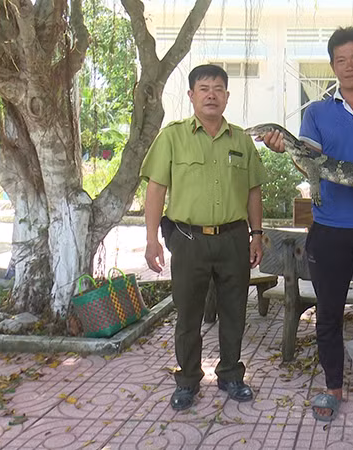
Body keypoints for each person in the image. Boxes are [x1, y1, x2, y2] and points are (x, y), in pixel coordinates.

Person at [261, 26, 353, 422]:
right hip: (328, 231)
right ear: (332, 65)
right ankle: (332, 388)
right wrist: (287, 149)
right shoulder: (316, 113)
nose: (349, 66)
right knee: (327, 312)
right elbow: (308, 162)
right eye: (340, 60)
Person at [141, 64, 267, 411]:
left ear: (227, 96)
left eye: (218, 89)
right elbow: (156, 188)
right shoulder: (173, 136)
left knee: (234, 311)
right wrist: (152, 239)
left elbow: (254, 191)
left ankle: (230, 374)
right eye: (204, 88)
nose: (211, 94)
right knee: (188, 314)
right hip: (188, 239)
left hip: (232, 239)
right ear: (191, 95)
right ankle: (188, 380)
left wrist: (257, 234)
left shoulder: (241, 139)